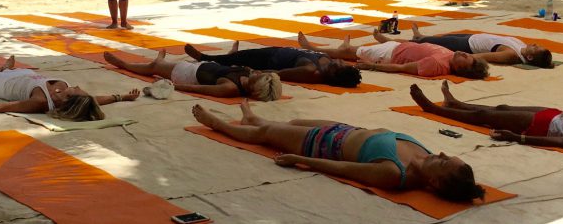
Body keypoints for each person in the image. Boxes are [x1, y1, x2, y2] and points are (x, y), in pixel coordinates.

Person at [192, 100, 485, 201]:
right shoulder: (426, 156)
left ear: (434, 183)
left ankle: (217, 124)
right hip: (346, 130)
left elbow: (344, 169)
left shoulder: (395, 174)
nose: (442, 155)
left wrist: (300, 160)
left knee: (266, 135)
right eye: (448, 156)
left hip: (324, 146)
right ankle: (252, 118)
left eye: (444, 163)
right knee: (289, 122)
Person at [410, 81, 563, 160]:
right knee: (502, 107)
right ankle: (456, 104)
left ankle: (432, 109)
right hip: (560, 115)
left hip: (547, 127)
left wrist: (520, 138)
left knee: (485, 118)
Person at [0, 55, 139, 121]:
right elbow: (99, 99)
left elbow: (0, 108)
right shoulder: (77, 97)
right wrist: (122, 97)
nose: (81, 87)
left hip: (2, 86)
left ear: (68, 100)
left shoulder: (41, 102)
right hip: (28, 76)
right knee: (12, 70)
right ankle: (5, 67)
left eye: (79, 91)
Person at [298, 31, 489, 79]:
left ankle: (312, 48)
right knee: (353, 50)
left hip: (390, 55)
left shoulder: (437, 65)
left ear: (461, 68)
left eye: (466, 57)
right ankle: (349, 47)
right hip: (396, 47)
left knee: (347, 53)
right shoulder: (450, 56)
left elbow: (402, 68)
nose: (464, 53)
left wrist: (371, 66)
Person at [104, 50, 282, 101]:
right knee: (160, 65)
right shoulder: (246, 74)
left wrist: (171, 84)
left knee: (155, 67)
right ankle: (160, 61)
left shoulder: (230, 88)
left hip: (187, 74)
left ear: (254, 86)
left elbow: (200, 89)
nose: (258, 72)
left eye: (259, 75)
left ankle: (124, 64)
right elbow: (230, 67)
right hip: (204, 66)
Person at [185, 41, 361, 87]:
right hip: (279, 51)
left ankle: (203, 57)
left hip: (269, 58)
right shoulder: (326, 63)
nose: (340, 61)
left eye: (342, 65)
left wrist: (254, 72)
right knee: (238, 56)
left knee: (237, 59)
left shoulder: (311, 71)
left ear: (335, 73)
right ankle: (231, 55)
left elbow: (281, 73)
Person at [401, 24, 552, 68]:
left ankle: (397, 42)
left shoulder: (512, 54)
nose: (535, 44)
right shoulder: (523, 47)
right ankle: (419, 36)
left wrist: (459, 57)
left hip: (467, 45)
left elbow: (483, 56)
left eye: (536, 48)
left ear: (530, 56)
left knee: (431, 44)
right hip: (473, 37)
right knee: (441, 38)